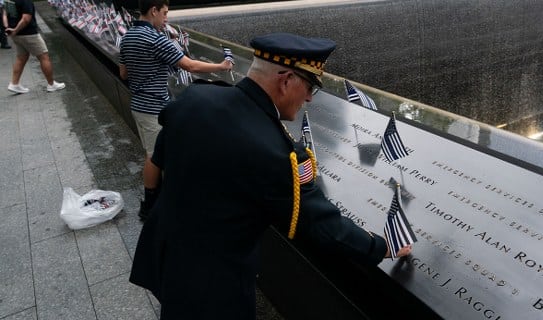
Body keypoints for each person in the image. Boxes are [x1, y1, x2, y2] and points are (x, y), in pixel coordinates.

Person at [129, 32, 413, 319]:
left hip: (164, 255)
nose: (310, 98)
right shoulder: (277, 152)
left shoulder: (195, 98)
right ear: (286, 80)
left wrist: (152, 202)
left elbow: (159, 159)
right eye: (310, 86)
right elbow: (324, 225)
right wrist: (383, 246)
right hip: (214, 290)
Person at [118, 0, 232, 221]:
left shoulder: (128, 35)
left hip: (139, 105)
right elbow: (190, 65)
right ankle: (150, 206)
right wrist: (221, 66)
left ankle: (160, 199)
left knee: (154, 152)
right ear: (153, 11)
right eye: (165, 13)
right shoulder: (155, 38)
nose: (167, 18)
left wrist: (147, 68)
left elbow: (123, 73)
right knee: (154, 155)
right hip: (153, 107)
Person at [3, 0, 65, 94]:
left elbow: (4, 13)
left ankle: (14, 84)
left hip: (16, 35)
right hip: (29, 34)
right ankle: (51, 84)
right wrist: (15, 30)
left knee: (21, 57)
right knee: (44, 57)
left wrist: (8, 28)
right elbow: (26, 19)